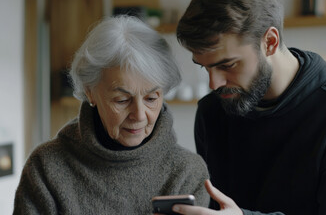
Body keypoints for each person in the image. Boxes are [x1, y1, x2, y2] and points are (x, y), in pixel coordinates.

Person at [172, 0, 326, 214]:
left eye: (227, 65)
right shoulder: (211, 111)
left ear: (269, 41)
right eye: (204, 66)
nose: (214, 84)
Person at [13, 15, 210, 214]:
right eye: (122, 100)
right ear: (90, 92)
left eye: (151, 98)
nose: (139, 115)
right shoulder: (46, 167)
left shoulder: (187, 172)